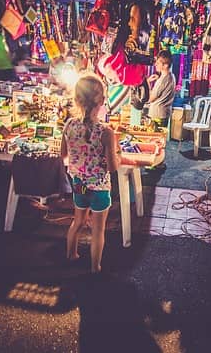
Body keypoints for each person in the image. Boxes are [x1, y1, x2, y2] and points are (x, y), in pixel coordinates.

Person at [61, 74, 120, 273]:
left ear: (76, 99)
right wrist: (117, 154)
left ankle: (71, 254)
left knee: (77, 221)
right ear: (102, 101)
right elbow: (112, 167)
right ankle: (95, 267)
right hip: (99, 188)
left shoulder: (69, 124)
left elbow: (63, 155)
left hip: (78, 184)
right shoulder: (106, 132)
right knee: (98, 230)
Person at [146, 50, 177, 129]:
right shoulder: (171, 76)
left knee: (154, 139)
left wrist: (148, 83)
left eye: (158, 63)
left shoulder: (163, 80)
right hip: (164, 114)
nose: (155, 64)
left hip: (157, 115)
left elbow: (150, 98)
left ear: (165, 65)